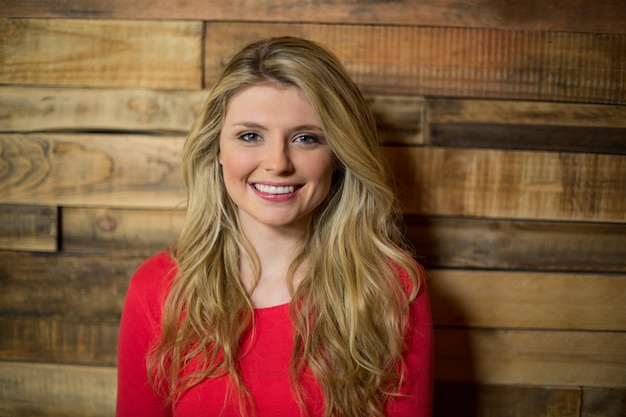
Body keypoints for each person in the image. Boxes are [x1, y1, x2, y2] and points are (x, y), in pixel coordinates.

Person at [116, 36, 433, 417]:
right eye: (250, 136)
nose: (277, 162)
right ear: (217, 148)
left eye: (306, 138)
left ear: (338, 156)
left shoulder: (391, 287)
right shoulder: (158, 288)